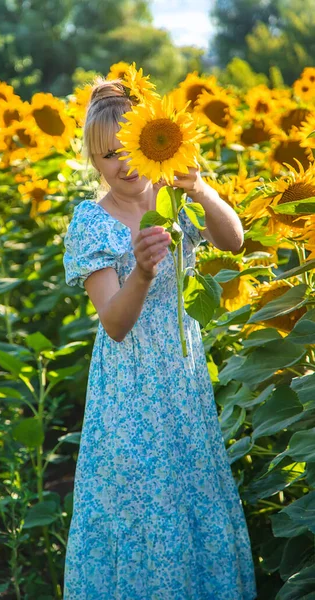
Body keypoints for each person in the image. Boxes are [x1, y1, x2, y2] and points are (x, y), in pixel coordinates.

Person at [62, 78, 257, 600]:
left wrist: (198, 189)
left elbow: (233, 242)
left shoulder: (174, 197)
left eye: (129, 148)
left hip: (183, 377)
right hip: (130, 393)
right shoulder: (92, 223)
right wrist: (143, 273)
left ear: (150, 141)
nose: (122, 165)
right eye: (106, 156)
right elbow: (115, 324)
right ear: (92, 161)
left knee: (191, 490)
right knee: (143, 500)